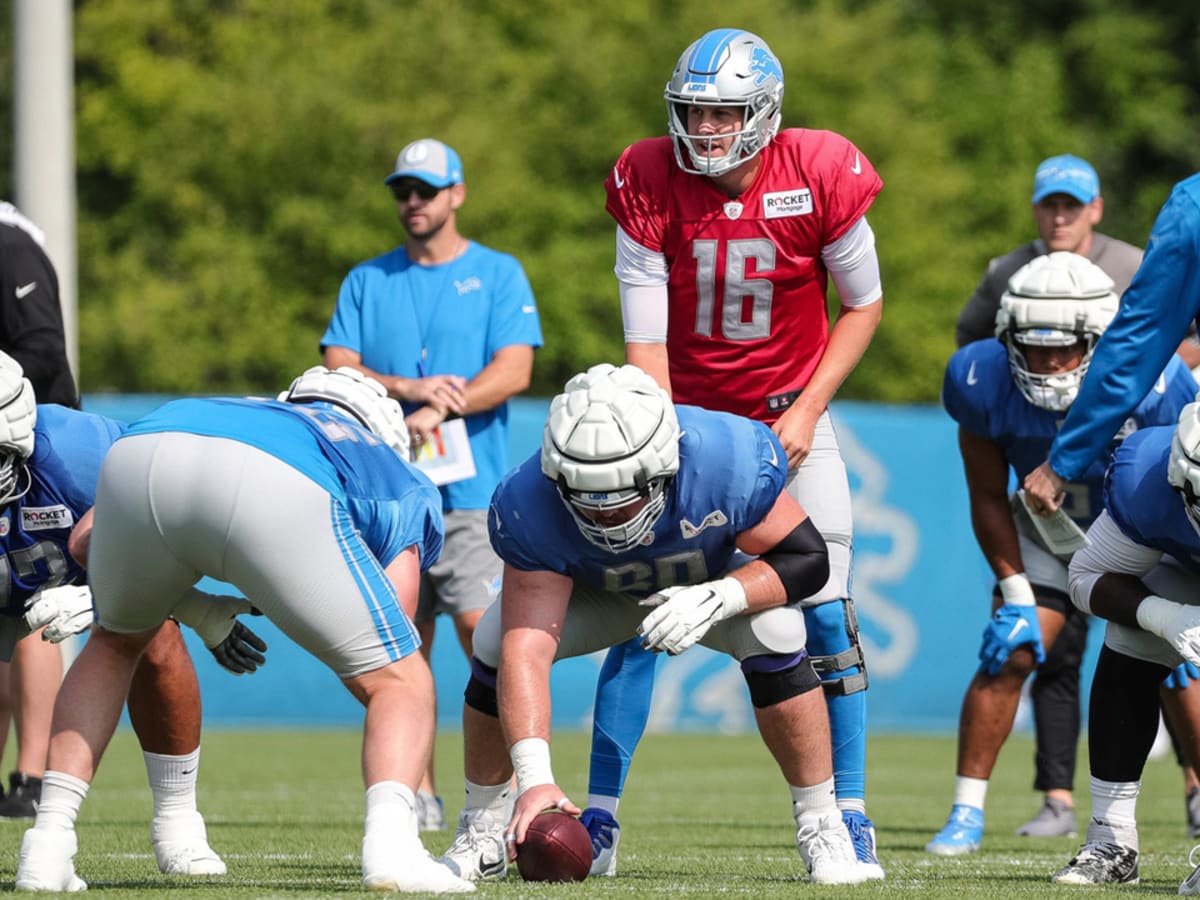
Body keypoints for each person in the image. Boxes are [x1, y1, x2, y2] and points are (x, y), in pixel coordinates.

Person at [595, 26, 885, 877]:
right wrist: (664, 443)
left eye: (725, 110)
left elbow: (863, 306)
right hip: (683, 420)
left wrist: (804, 411)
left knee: (824, 602)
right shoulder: (647, 176)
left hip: (790, 416)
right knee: (647, 602)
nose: (708, 127)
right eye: (695, 110)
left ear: (763, 110)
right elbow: (645, 345)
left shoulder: (820, 167)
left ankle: (848, 811)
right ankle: (601, 816)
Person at [13, 366, 474, 894]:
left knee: (115, 643)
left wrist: (170, 602)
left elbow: (84, 543)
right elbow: (391, 630)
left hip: (144, 447)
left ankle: (47, 846)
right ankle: (393, 849)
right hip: (274, 482)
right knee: (402, 679)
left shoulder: (246, 409)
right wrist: (297, 598)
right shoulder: (391, 467)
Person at [437, 363, 873, 886]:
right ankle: (483, 829)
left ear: (663, 466)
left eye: (620, 500)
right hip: (606, 594)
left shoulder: (724, 457)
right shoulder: (529, 500)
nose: (605, 518)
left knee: (779, 630)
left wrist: (720, 597)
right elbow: (525, 649)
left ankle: (822, 824)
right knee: (491, 638)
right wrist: (535, 780)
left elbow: (807, 558)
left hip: (707, 582)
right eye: (588, 503)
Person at [926, 252, 1196, 856]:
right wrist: (1016, 592)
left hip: (1141, 536)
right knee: (1011, 648)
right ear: (1006, 338)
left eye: (1066, 347)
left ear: (1099, 341)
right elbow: (987, 495)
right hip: (1051, 533)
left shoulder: (1156, 382)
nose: (1048, 362)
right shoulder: (982, 379)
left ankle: (1197, 794)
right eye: (1033, 345)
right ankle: (966, 812)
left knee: (1180, 662)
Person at [322, 138, 543, 829]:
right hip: (385, 496)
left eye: (424, 189)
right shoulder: (367, 280)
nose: (411, 202)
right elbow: (338, 366)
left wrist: (445, 404)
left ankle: (508, 789)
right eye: (401, 190)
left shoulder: (499, 274)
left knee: (488, 638)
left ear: (457, 194)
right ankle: (416, 791)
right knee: (396, 645)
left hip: (470, 498)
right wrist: (407, 390)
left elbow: (515, 371)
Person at [0, 350, 263, 883]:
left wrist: (111, 599)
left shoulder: (79, 454)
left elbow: (162, 542)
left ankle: (178, 822)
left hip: (90, 554)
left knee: (150, 635)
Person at [1048, 398, 1200, 891]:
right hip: (1185, 566)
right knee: (1131, 637)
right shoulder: (1147, 478)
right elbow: (1086, 577)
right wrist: (1168, 617)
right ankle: (1111, 838)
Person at [0, 202, 80, 819]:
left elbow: (44, 354)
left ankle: (32, 776)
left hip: (31, 453)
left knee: (31, 603)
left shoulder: (9, 245)